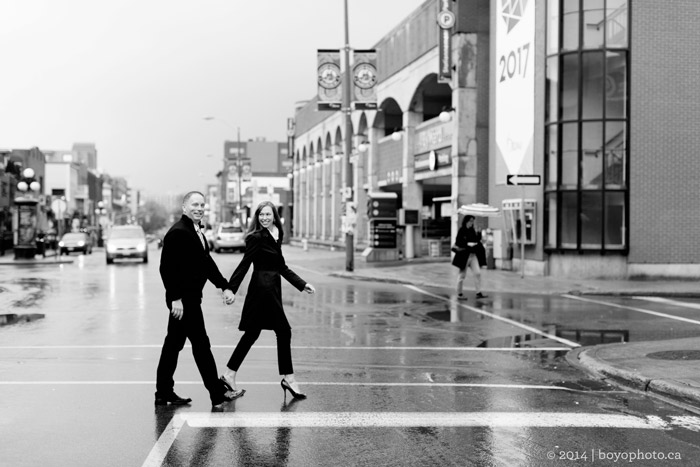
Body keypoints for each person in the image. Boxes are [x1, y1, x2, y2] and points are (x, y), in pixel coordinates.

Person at [221, 201, 316, 400]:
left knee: (252, 334)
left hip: (271, 289)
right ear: (257, 217)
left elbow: (281, 266)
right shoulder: (256, 237)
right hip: (262, 290)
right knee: (283, 331)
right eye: (261, 215)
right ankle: (289, 378)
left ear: (275, 216)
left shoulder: (276, 235)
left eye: (268, 214)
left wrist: (302, 284)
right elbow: (245, 264)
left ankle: (230, 374)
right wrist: (231, 288)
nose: (264, 218)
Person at [155, 191, 240, 407]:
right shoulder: (178, 232)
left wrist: (224, 286)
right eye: (194, 204)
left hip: (189, 299)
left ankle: (163, 392)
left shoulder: (196, 231)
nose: (199, 208)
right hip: (183, 301)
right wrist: (175, 299)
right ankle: (217, 394)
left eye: (202, 204)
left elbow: (206, 264)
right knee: (201, 345)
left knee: (173, 345)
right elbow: (166, 268)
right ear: (184, 208)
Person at [452, 214, 487, 300]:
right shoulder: (462, 230)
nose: (472, 223)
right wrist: (467, 244)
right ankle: (459, 294)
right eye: (471, 221)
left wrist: (478, 233)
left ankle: (478, 292)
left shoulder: (472, 230)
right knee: (462, 275)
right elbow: (458, 242)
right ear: (466, 221)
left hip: (473, 255)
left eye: (473, 221)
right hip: (464, 255)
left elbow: (476, 240)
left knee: (477, 273)